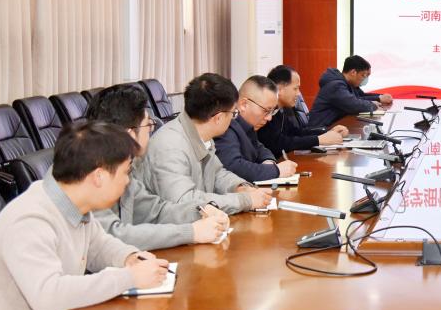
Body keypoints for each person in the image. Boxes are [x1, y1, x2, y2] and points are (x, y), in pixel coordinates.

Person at [0, 122, 170, 310]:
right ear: (98, 177)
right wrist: (129, 277)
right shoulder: (30, 220)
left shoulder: (73, 205)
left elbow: (99, 245)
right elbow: (48, 298)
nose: (128, 181)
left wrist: (129, 257)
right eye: (126, 172)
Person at [89, 84, 230, 249]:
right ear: (130, 134)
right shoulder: (92, 173)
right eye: (148, 125)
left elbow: (156, 212)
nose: (151, 130)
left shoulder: (124, 167)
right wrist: (191, 232)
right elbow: (115, 235)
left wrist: (200, 211)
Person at [138, 73, 272, 214]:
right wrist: (244, 200)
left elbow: (217, 174)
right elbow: (184, 201)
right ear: (218, 118)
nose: (233, 119)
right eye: (233, 113)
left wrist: (240, 187)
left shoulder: (201, 132)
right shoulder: (169, 146)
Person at [214, 76, 298, 183]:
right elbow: (234, 167)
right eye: (266, 111)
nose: (269, 118)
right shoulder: (226, 126)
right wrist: (276, 171)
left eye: (272, 111)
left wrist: (268, 161)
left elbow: (260, 148)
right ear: (244, 104)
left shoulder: (247, 126)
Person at [259, 65, 349, 157]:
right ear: (279, 89)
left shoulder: (282, 109)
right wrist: (318, 140)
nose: (298, 94)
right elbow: (277, 143)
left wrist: (327, 132)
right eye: (295, 88)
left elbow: (296, 133)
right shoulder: (265, 112)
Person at [308, 55, 393, 129]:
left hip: (333, 126)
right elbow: (354, 105)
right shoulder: (336, 86)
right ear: (353, 72)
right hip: (320, 130)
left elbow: (360, 97)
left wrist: (378, 98)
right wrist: (373, 105)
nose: (364, 79)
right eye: (363, 75)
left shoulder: (348, 83)